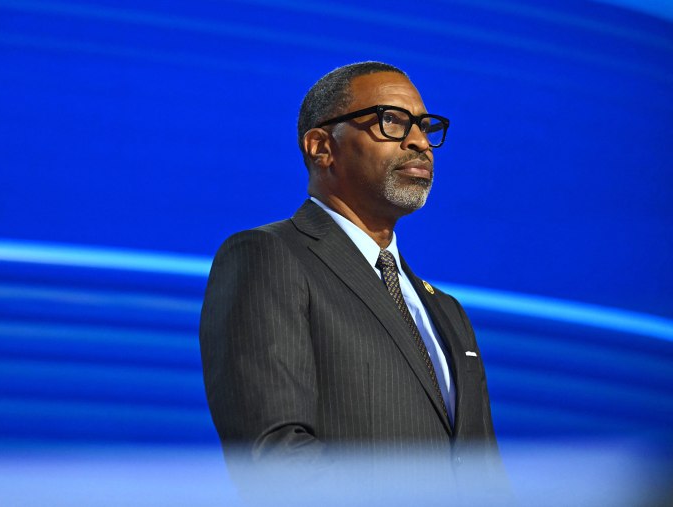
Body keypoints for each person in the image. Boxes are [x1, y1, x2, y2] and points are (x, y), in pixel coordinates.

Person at [200, 61, 505, 501]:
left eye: (424, 126)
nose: (420, 142)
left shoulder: (448, 312)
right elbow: (274, 453)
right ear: (321, 146)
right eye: (392, 121)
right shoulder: (268, 256)